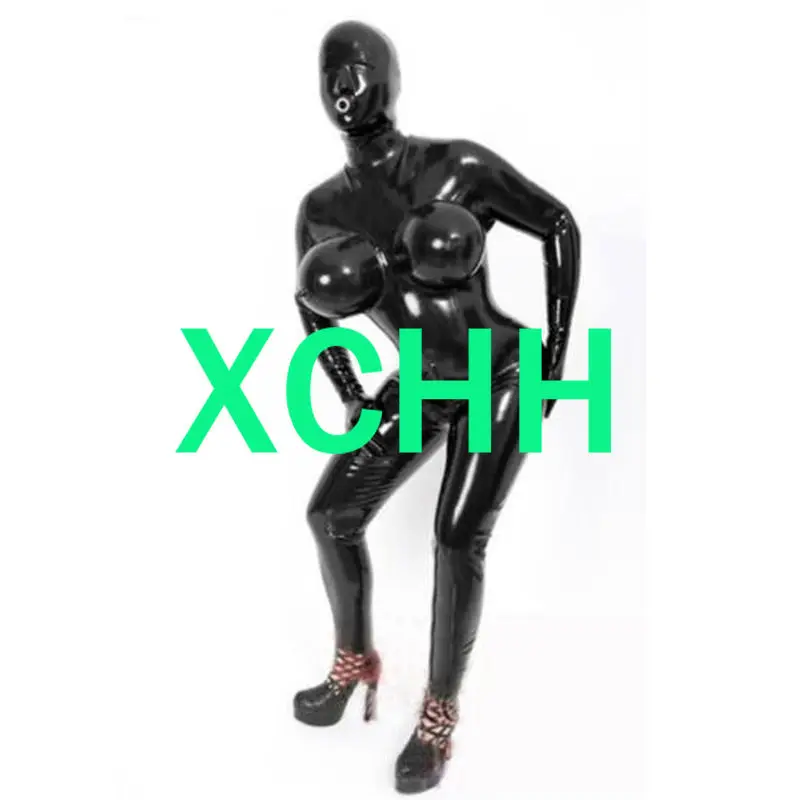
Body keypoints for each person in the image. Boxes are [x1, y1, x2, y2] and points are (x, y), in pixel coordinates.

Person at [291, 19, 580, 794]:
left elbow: (556, 223)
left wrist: (555, 351)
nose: (345, 86)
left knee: (456, 539)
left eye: (359, 68)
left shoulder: (457, 165)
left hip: (500, 371)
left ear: (392, 78)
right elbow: (310, 306)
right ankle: (354, 662)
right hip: (418, 382)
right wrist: (351, 393)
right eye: (330, 73)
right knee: (330, 515)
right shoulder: (321, 208)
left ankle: (438, 714)